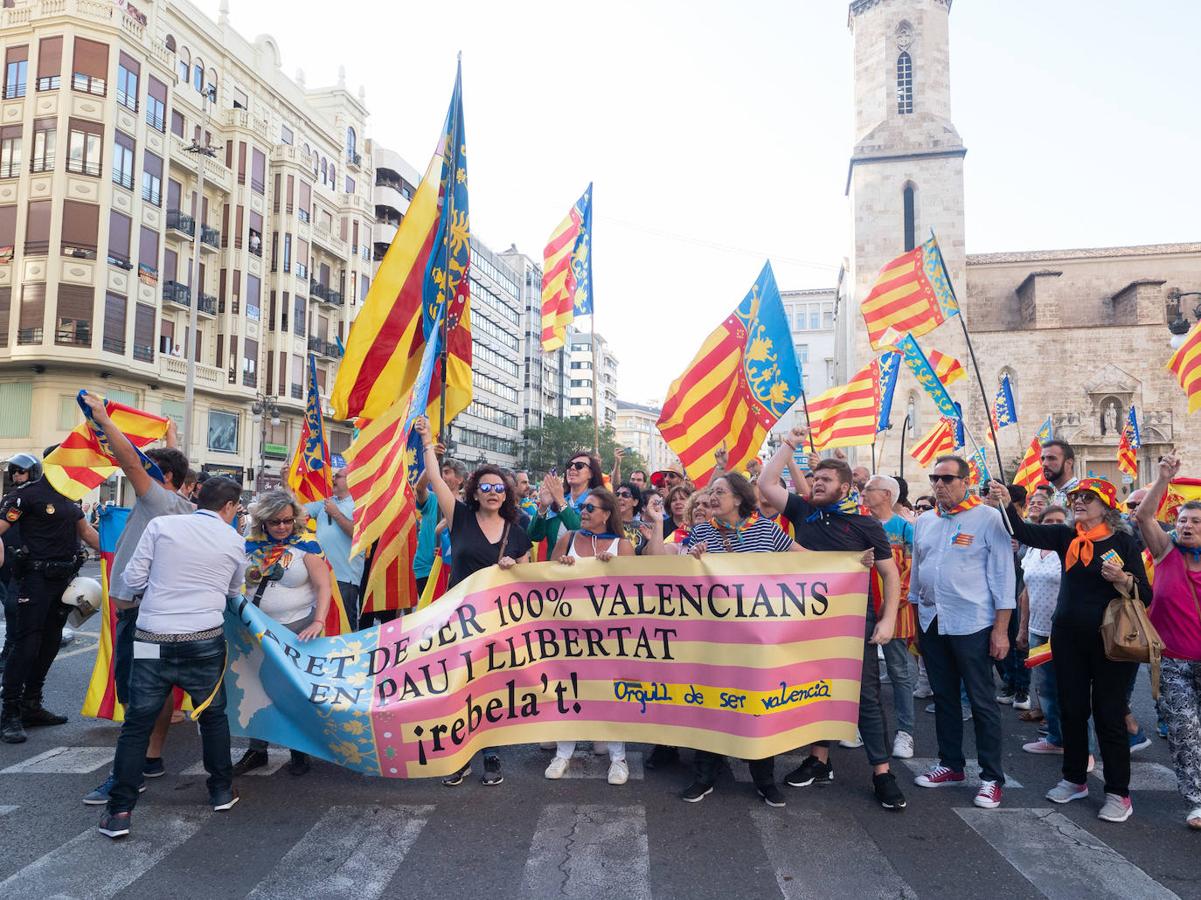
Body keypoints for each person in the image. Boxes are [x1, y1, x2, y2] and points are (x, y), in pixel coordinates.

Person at [759, 429, 907, 812]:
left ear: (844, 487)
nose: (816, 484)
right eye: (816, 479)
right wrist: (789, 444)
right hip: (806, 623)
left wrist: (888, 620)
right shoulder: (804, 510)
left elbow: (890, 575)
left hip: (852, 621)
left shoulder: (866, 524)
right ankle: (819, 762)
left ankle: (882, 773)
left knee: (866, 697)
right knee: (814, 690)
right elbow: (766, 482)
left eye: (826, 480)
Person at [990, 475, 1149, 823]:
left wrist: (1123, 579)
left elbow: (1145, 595)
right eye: (1075, 497)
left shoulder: (1123, 543)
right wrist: (1004, 499)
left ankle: (1118, 793)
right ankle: (1074, 778)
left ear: (1106, 507)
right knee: (1071, 710)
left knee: (1109, 715)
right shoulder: (1066, 536)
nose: (1078, 502)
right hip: (1067, 638)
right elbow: (1022, 531)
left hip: (1111, 642)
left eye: (1086, 498)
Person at [97, 477, 247, 839]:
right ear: (229, 507)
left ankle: (119, 811)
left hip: (151, 636)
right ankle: (221, 791)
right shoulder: (234, 540)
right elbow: (233, 590)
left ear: (198, 498)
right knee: (212, 716)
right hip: (203, 639)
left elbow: (132, 578)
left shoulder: (161, 525)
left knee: (137, 723)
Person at [77, 393, 195, 801]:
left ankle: (126, 776)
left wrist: (103, 419)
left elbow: (130, 460)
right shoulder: (182, 502)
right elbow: (169, 465)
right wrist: (173, 435)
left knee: (137, 696)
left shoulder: (156, 499)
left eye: (149, 469)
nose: (137, 473)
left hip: (142, 622)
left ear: (160, 477)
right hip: (161, 618)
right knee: (158, 690)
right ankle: (153, 757)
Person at [416, 416, 532, 787]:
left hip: (498, 624)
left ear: (507, 494)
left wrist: (513, 568)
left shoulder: (517, 533)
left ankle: (491, 755)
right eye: (486, 487)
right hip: (458, 622)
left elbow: (529, 584)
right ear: (475, 492)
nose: (493, 493)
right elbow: (435, 478)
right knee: (458, 688)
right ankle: (459, 756)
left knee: (490, 690)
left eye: (499, 488)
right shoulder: (459, 517)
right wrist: (425, 441)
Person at [680, 471, 805, 807]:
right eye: (710, 492)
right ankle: (704, 776)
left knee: (756, 706)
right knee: (709, 703)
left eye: (719, 492)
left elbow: (804, 559)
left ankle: (764, 779)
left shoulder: (765, 529)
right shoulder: (702, 531)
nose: (711, 497)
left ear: (738, 498)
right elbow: (676, 576)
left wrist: (850, 563)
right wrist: (691, 559)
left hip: (755, 639)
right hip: (712, 639)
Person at [908, 457, 1014, 810]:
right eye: (935, 478)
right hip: (932, 619)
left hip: (973, 622)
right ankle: (951, 764)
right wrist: (913, 617)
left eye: (947, 478)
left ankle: (991, 777)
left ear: (966, 481)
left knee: (982, 701)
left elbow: (1003, 576)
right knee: (944, 697)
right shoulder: (924, 520)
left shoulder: (988, 517)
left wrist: (1001, 630)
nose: (939, 484)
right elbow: (917, 572)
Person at [0, 448, 99, 743]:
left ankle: (32, 705)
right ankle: (10, 713)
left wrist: (121, 547)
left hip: (64, 582)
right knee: (25, 645)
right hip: (34, 580)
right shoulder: (26, 495)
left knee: (50, 644)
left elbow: (88, 534)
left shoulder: (70, 498)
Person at [233, 489, 332, 777]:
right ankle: (257, 749)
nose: (282, 527)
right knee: (255, 689)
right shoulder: (248, 545)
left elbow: (323, 586)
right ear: (263, 521)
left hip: (297, 630)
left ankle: (298, 750)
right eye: (275, 522)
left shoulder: (307, 545)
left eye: (287, 521)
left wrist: (318, 621)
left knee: (292, 690)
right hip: (256, 629)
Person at [544, 488, 635, 785]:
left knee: (611, 694)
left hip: (610, 637)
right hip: (568, 633)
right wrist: (561, 567)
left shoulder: (623, 546)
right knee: (568, 691)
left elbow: (636, 593)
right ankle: (563, 753)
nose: (583, 512)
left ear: (607, 514)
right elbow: (545, 579)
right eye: (582, 507)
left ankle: (618, 759)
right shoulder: (567, 539)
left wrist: (617, 570)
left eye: (590, 508)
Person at [1135, 453, 1201, 829]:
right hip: (1173, 663)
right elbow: (1143, 517)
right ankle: (1196, 800)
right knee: (1183, 730)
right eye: (1182, 520)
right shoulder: (1166, 552)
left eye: (1194, 521)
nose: (1186, 526)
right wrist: (1162, 479)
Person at [861, 474, 918, 760]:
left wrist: (890, 605)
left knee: (899, 673)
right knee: (863, 674)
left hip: (897, 613)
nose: (864, 493)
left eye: (869, 489)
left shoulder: (905, 528)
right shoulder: (859, 525)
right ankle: (861, 726)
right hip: (861, 610)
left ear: (886, 495)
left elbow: (910, 571)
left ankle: (905, 732)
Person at [1019, 505, 1069, 754]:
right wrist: (1022, 628)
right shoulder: (1032, 550)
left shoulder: (1071, 548)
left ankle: (1080, 747)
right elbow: (1026, 592)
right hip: (1038, 629)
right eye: (1048, 521)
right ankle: (1055, 737)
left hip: (1065, 631)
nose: (1053, 525)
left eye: (1059, 520)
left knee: (1069, 689)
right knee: (1045, 687)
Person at [302, 469, 363, 630]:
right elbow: (296, 511)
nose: (333, 478)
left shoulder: (360, 503)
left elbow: (356, 533)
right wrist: (287, 483)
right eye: (333, 475)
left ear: (351, 479)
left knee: (345, 627)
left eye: (338, 476)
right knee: (322, 623)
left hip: (344, 578)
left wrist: (336, 513)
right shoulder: (325, 503)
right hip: (320, 575)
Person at [0, 455, 37, 673]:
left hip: (27, 567)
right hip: (7, 564)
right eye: (13, 471)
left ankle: (14, 652)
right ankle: (12, 650)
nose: (16, 475)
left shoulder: (36, 498)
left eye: (21, 471)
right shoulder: (10, 498)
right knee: (11, 609)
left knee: (16, 610)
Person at [527, 451, 604, 555]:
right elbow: (535, 536)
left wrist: (561, 502)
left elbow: (583, 536)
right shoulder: (557, 501)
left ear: (591, 473)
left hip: (584, 568)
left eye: (579, 466)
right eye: (569, 465)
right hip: (555, 567)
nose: (572, 468)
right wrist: (543, 506)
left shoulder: (599, 501)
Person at [414, 452, 465, 598]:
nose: (442, 475)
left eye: (447, 472)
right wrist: (433, 459)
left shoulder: (467, 507)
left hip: (452, 571)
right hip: (426, 568)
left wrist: (447, 551)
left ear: (460, 479)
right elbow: (419, 488)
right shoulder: (431, 499)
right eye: (440, 471)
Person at [1041, 440, 1079, 511]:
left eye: (1051, 458)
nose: (1044, 464)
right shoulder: (1054, 497)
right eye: (1043, 459)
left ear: (1069, 463)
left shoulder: (1082, 494)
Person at [615, 482, 646, 553]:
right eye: (617, 494)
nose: (619, 498)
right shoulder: (606, 525)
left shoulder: (644, 528)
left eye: (625, 495)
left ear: (635, 502)